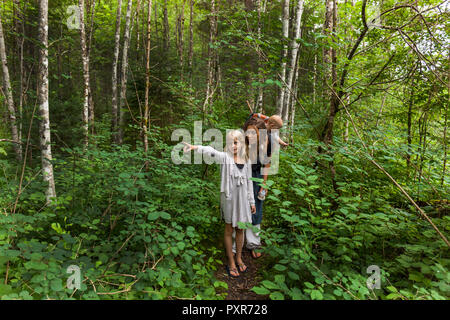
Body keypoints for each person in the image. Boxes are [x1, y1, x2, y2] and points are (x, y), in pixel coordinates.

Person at [182, 130, 256, 278]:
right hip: (229, 199)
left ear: (242, 144)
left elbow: (249, 183)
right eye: (230, 143)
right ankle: (231, 261)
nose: (233, 146)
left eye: (236, 142)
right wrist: (195, 147)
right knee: (229, 229)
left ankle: (239, 257)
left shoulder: (247, 161)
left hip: (242, 200)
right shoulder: (224, 158)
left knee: (240, 229)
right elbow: (210, 151)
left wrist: (251, 201)